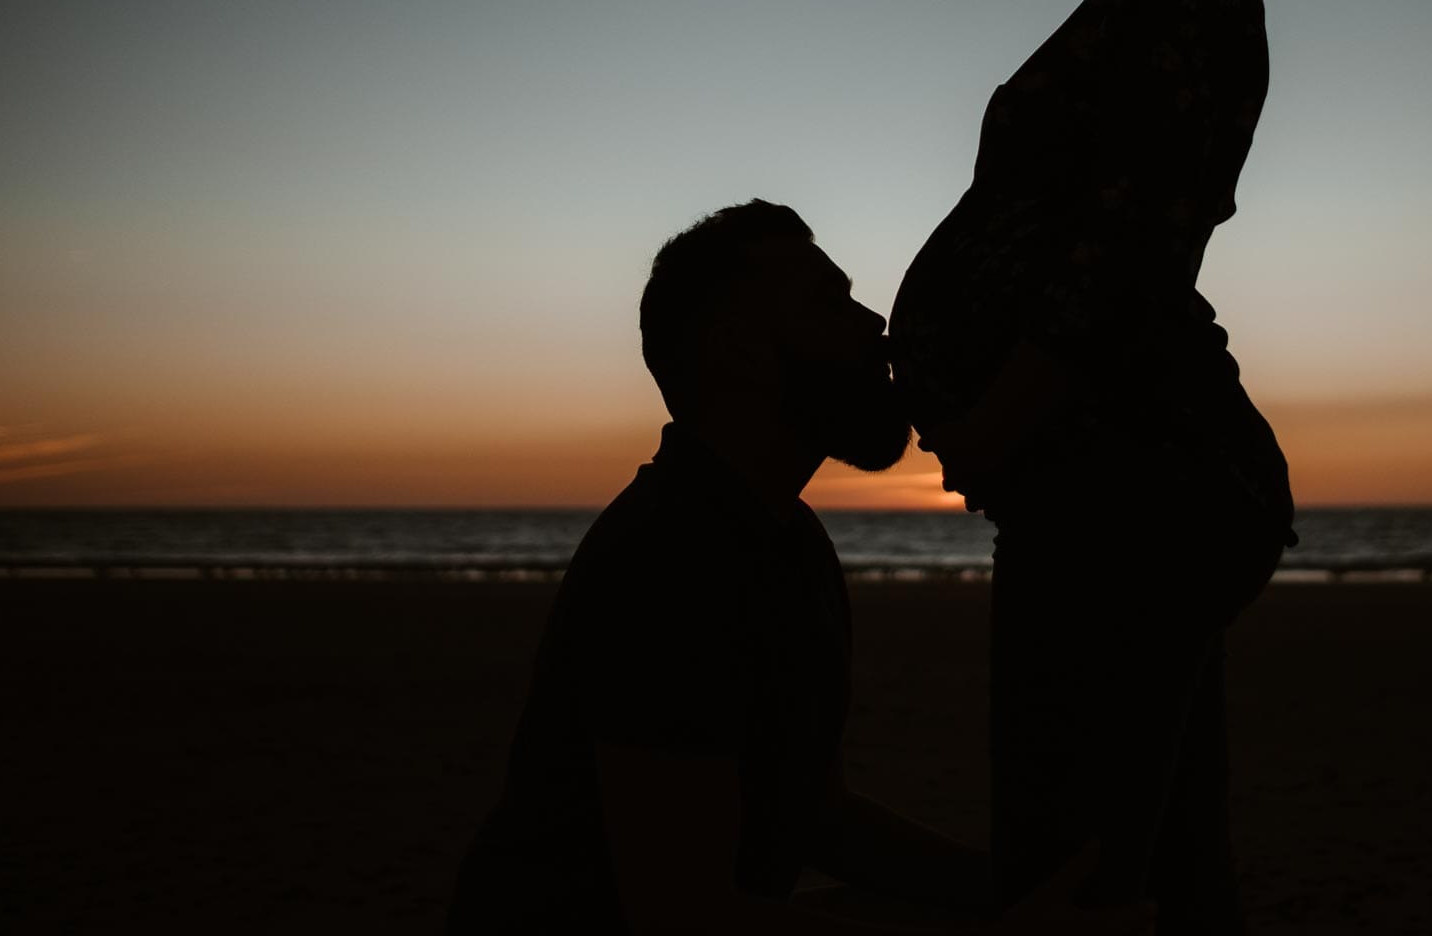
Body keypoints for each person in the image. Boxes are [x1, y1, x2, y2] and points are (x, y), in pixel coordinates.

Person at [449, 201, 1150, 934]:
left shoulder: (785, 537)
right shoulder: (669, 561)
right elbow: (681, 914)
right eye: (830, 302)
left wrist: (1006, 891)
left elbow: (820, 816)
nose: (875, 323)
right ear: (739, 349)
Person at [889, 0, 1296, 935]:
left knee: (1077, 875)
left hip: (1129, 490)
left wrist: (993, 424)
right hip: (1100, 490)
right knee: (1140, 866)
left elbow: (1114, 268)